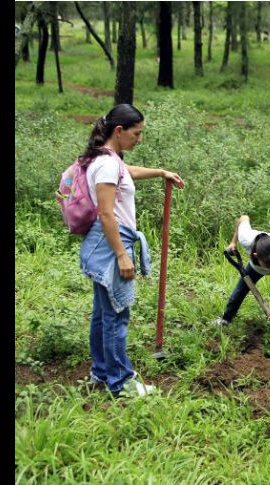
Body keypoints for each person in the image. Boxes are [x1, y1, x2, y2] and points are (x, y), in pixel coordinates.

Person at [79, 104, 185, 398]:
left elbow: (127, 173)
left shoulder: (105, 159)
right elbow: (106, 214)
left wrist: (161, 172)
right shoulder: (108, 164)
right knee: (116, 315)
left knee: (102, 314)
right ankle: (121, 382)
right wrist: (123, 255)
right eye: (137, 133)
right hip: (112, 243)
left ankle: (100, 374)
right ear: (119, 131)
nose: (140, 139)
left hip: (105, 243)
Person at [212, 215, 270, 353]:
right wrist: (233, 242)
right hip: (254, 268)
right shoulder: (246, 238)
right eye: (267, 265)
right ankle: (226, 319)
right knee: (239, 292)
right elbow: (243, 218)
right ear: (255, 255)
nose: (268, 268)